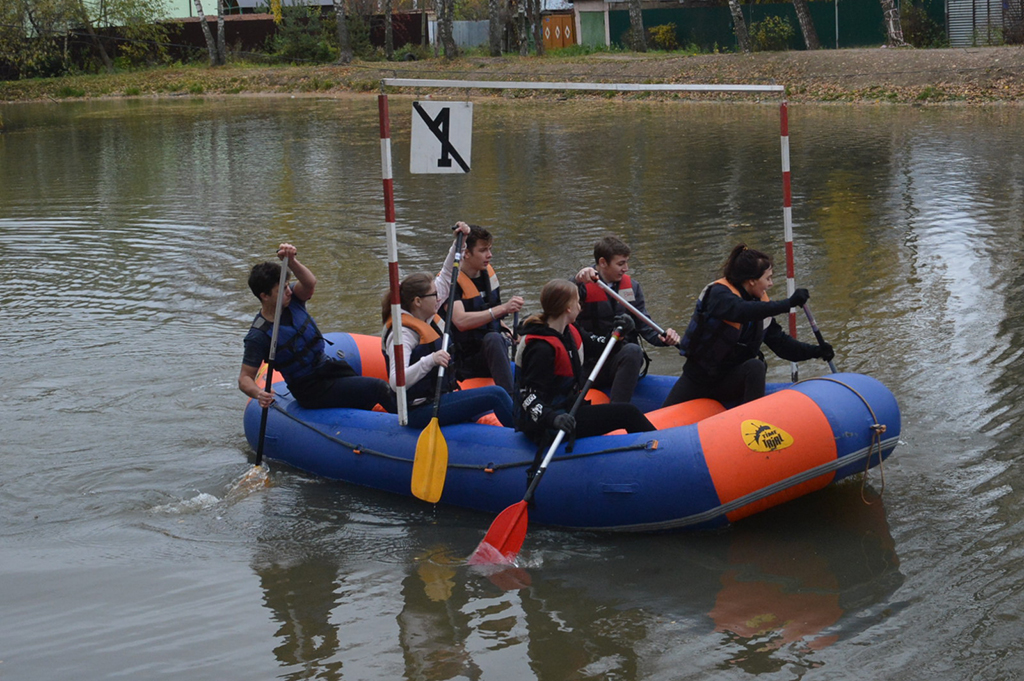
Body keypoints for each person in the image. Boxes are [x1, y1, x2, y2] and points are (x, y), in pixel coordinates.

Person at [662, 243, 835, 408]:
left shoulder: (760, 305)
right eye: (768, 278)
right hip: (698, 379)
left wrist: (816, 351)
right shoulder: (719, 295)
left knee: (755, 366)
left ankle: (751, 420)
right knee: (657, 423)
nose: (771, 284)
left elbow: (782, 345)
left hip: (730, 381)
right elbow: (741, 311)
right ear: (752, 281)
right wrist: (788, 304)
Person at [380, 227, 515, 428]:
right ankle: (523, 433)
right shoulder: (403, 334)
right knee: (496, 395)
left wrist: (460, 241)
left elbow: (446, 275)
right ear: (417, 301)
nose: (440, 298)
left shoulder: (424, 312)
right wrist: (430, 360)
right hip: (421, 410)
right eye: (435, 295)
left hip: (443, 396)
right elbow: (396, 381)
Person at [239, 243, 394, 412]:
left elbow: (309, 283)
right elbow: (245, 378)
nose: (289, 291)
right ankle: (409, 422)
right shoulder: (259, 335)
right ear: (265, 296)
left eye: (287, 286)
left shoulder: (292, 300)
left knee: (364, 393)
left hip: (328, 369)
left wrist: (291, 261)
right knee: (378, 387)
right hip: (310, 389)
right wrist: (259, 393)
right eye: (282, 290)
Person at [516, 279, 656, 452]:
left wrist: (619, 333)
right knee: (628, 413)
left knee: (625, 412)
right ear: (568, 308)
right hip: (549, 423)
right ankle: (662, 449)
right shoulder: (541, 349)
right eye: (577, 302)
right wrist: (553, 419)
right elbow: (527, 396)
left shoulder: (569, 330)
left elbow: (599, 346)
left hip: (568, 410)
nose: (580, 306)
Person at [574, 236, 680, 403]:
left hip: (620, 359)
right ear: (603, 262)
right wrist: (575, 282)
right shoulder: (580, 287)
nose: (626, 269)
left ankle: (618, 408)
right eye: (620, 264)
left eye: (626, 263)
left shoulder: (633, 287)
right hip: (590, 364)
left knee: (633, 350)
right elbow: (560, 313)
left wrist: (663, 338)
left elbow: (645, 325)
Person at [441, 224, 524, 396]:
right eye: (483, 250)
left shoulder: (487, 276)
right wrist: (503, 309)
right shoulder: (451, 283)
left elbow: (492, 319)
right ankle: (511, 400)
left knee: (524, 329)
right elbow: (460, 321)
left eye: (490, 249)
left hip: (490, 350)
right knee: (494, 339)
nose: (489, 255)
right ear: (466, 253)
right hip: (465, 360)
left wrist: (508, 331)